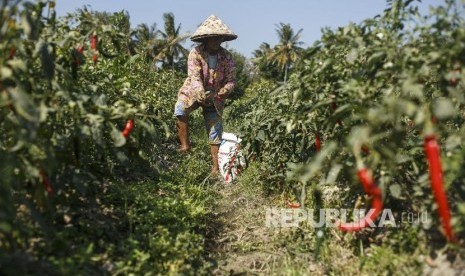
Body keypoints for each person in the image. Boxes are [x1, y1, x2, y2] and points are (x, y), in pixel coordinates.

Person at [174, 15, 237, 176]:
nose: (217, 41)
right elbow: (194, 76)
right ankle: (185, 146)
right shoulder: (196, 53)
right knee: (181, 108)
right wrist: (200, 92)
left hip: (216, 96)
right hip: (194, 90)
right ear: (206, 39)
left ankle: (215, 169)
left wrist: (224, 91)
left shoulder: (227, 57)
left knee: (215, 130)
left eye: (219, 38)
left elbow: (231, 81)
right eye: (213, 38)